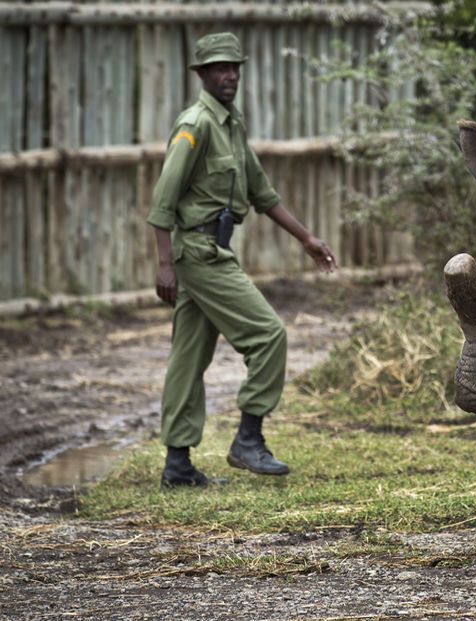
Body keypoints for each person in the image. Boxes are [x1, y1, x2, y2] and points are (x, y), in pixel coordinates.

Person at [147, 32, 338, 487]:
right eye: (219, 68)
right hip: (198, 254)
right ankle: (248, 440)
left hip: (213, 249)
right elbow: (161, 202)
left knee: (188, 357)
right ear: (203, 75)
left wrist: (307, 238)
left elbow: (261, 193)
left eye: (235, 67)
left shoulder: (231, 124)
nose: (229, 75)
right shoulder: (196, 125)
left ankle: (177, 466)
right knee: (268, 335)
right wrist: (164, 264)